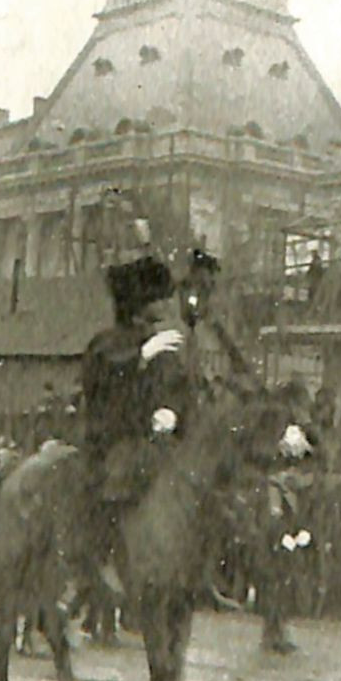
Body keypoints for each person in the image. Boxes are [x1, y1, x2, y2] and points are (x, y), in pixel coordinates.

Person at [79, 253, 198, 591]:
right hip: (116, 437)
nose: (162, 307)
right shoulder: (107, 343)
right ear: (138, 304)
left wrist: (172, 412)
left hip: (158, 439)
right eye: (155, 300)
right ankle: (106, 554)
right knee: (120, 477)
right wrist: (142, 356)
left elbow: (179, 388)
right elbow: (99, 384)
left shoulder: (168, 342)